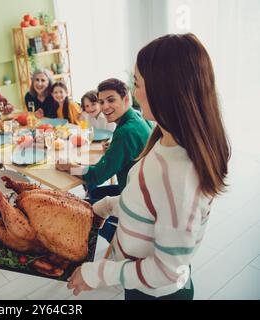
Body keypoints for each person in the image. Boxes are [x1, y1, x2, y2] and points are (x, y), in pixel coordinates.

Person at [67, 33, 230, 300]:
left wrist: (99, 273)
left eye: (136, 83)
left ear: (162, 90)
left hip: (156, 293)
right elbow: (148, 201)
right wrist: (110, 204)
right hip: (139, 283)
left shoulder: (180, 176)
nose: (134, 92)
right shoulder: (165, 140)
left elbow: (167, 271)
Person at [56, 78, 152, 241]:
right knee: (94, 192)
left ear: (126, 99)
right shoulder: (136, 117)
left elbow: (97, 176)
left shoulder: (125, 132)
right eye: (101, 101)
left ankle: (117, 238)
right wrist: (114, 146)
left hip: (136, 199)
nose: (105, 106)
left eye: (111, 100)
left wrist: (69, 167)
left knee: (83, 208)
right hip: (144, 190)